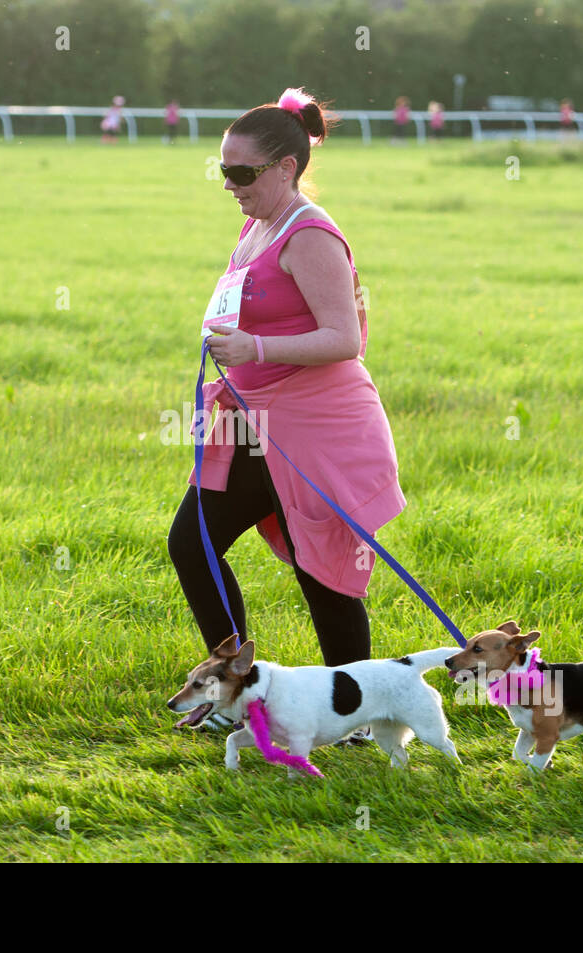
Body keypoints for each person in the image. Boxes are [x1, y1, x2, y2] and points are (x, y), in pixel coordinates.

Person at [167, 87, 407, 732]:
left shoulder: (312, 235)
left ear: (284, 169)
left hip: (318, 429)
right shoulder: (256, 224)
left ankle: (354, 713)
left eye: (240, 174)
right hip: (255, 420)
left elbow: (346, 340)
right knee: (193, 543)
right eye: (223, 171)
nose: (229, 185)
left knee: (321, 569)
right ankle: (236, 692)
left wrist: (256, 345)